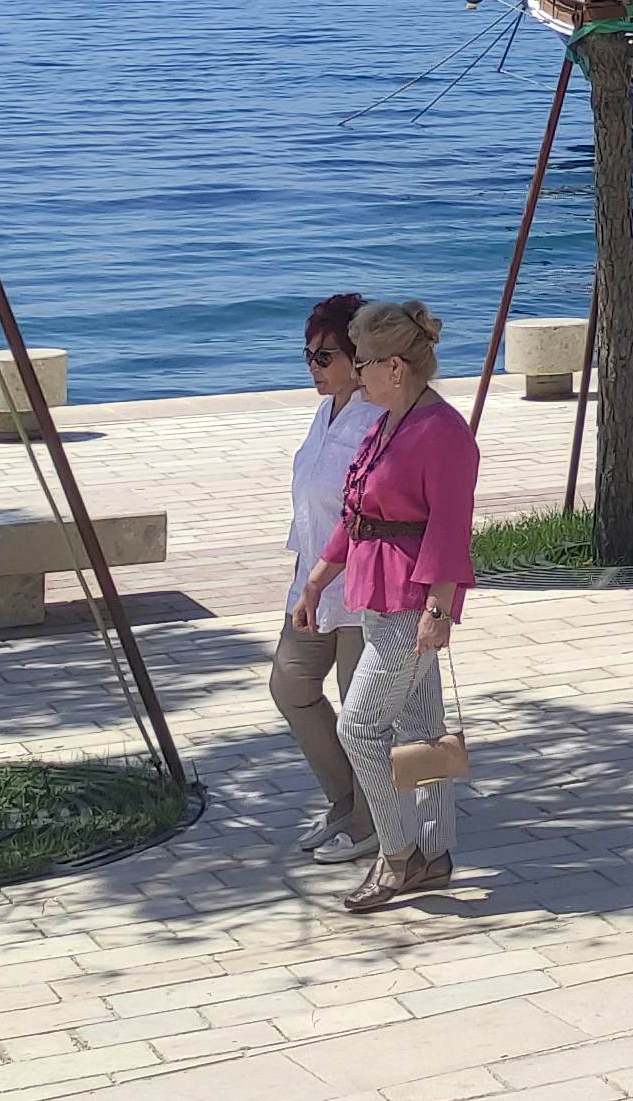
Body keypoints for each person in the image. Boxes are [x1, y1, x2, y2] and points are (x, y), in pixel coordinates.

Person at [296, 298, 476, 914]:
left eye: (364, 362)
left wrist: (439, 610)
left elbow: (450, 529)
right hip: (374, 593)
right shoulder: (388, 420)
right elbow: (357, 515)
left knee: (358, 726)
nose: (356, 373)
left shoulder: (443, 432)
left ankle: (395, 856)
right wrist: (317, 580)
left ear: (395, 366)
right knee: (421, 729)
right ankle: (434, 852)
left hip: (412, 603)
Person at [272, 291, 379, 868]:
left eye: (324, 356)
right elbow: (310, 509)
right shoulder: (325, 412)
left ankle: (370, 821)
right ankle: (346, 800)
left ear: (357, 357)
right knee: (290, 686)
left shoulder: (376, 419)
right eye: (307, 355)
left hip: (360, 589)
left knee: (360, 711)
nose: (313, 367)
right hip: (312, 585)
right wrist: (301, 581)